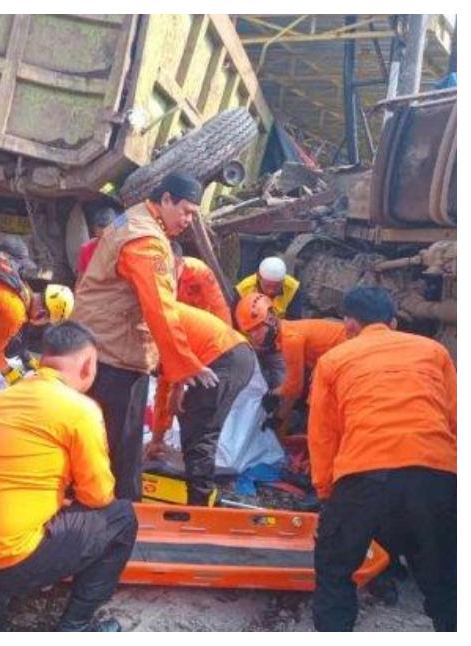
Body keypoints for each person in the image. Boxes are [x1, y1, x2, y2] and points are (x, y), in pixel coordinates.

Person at [0, 321, 136, 632]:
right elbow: (98, 495)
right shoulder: (79, 409)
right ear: (88, 364)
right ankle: (75, 628)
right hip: (7, 560)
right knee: (121, 518)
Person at [308, 287, 455, 632]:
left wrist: (327, 493)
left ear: (349, 324)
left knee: (335, 570)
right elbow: (454, 418)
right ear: (393, 321)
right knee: (447, 581)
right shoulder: (434, 351)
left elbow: (324, 435)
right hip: (436, 472)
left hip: (364, 472)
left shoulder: (334, 359)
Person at [72, 171, 218, 501]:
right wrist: (185, 363)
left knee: (92, 438)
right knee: (121, 449)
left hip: (97, 344)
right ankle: (121, 517)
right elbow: (159, 306)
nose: (188, 220)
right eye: (186, 211)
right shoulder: (147, 242)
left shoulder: (130, 219)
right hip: (117, 355)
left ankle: (87, 502)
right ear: (165, 200)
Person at [145, 302, 255, 504]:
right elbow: (165, 388)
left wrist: (157, 439)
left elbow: (166, 375)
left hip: (224, 357)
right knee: (190, 417)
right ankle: (198, 495)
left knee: (200, 432)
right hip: (228, 354)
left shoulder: (154, 320)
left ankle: (199, 505)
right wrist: (157, 439)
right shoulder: (156, 322)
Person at [0, 239, 74, 423]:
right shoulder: (16, 312)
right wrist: (14, 378)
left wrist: (27, 359)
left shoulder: (24, 289)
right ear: (42, 314)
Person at [234, 293, 348, 436]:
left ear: (270, 319)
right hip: (339, 359)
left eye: (257, 328)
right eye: (250, 332)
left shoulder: (290, 339)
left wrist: (274, 397)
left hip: (348, 361)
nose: (254, 336)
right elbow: (293, 387)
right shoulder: (286, 332)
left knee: (320, 409)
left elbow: (294, 388)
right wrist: (279, 414)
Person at [172, 242, 232, 325]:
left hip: (202, 320)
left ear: (182, 262)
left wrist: (228, 333)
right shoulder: (158, 274)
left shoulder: (200, 271)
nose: (171, 271)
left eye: (175, 266)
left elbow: (218, 306)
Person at [236, 256, 302, 319]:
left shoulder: (293, 288)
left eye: (276, 287)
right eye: (267, 286)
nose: (271, 291)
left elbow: (294, 320)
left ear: (283, 281)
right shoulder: (244, 288)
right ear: (259, 277)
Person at [76, 206, 116, 278]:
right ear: (94, 228)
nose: (103, 231)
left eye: (107, 226)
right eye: (100, 226)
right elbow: (81, 277)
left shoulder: (121, 247)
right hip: (93, 285)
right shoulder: (86, 248)